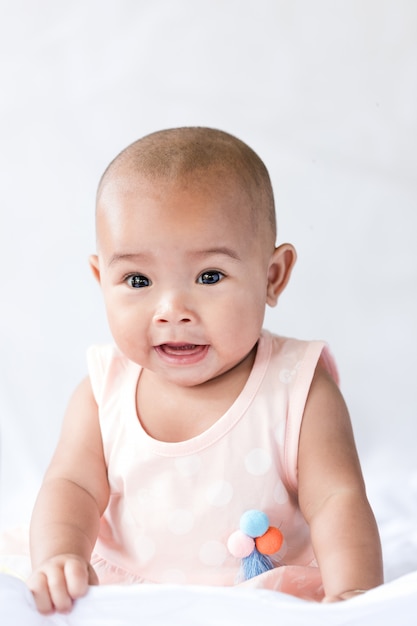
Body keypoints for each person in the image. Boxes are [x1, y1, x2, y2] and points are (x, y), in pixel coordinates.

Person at [27, 127, 383, 614]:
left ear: (271, 276)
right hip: (127, 603)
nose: (172, 310)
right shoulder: (102, 390)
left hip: (263, 606)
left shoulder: (298, 389)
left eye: (209, 276)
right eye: (137, 280)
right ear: (101, 280)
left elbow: (337, 499)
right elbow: (71, 487)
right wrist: (61, 555)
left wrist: (354, 599)